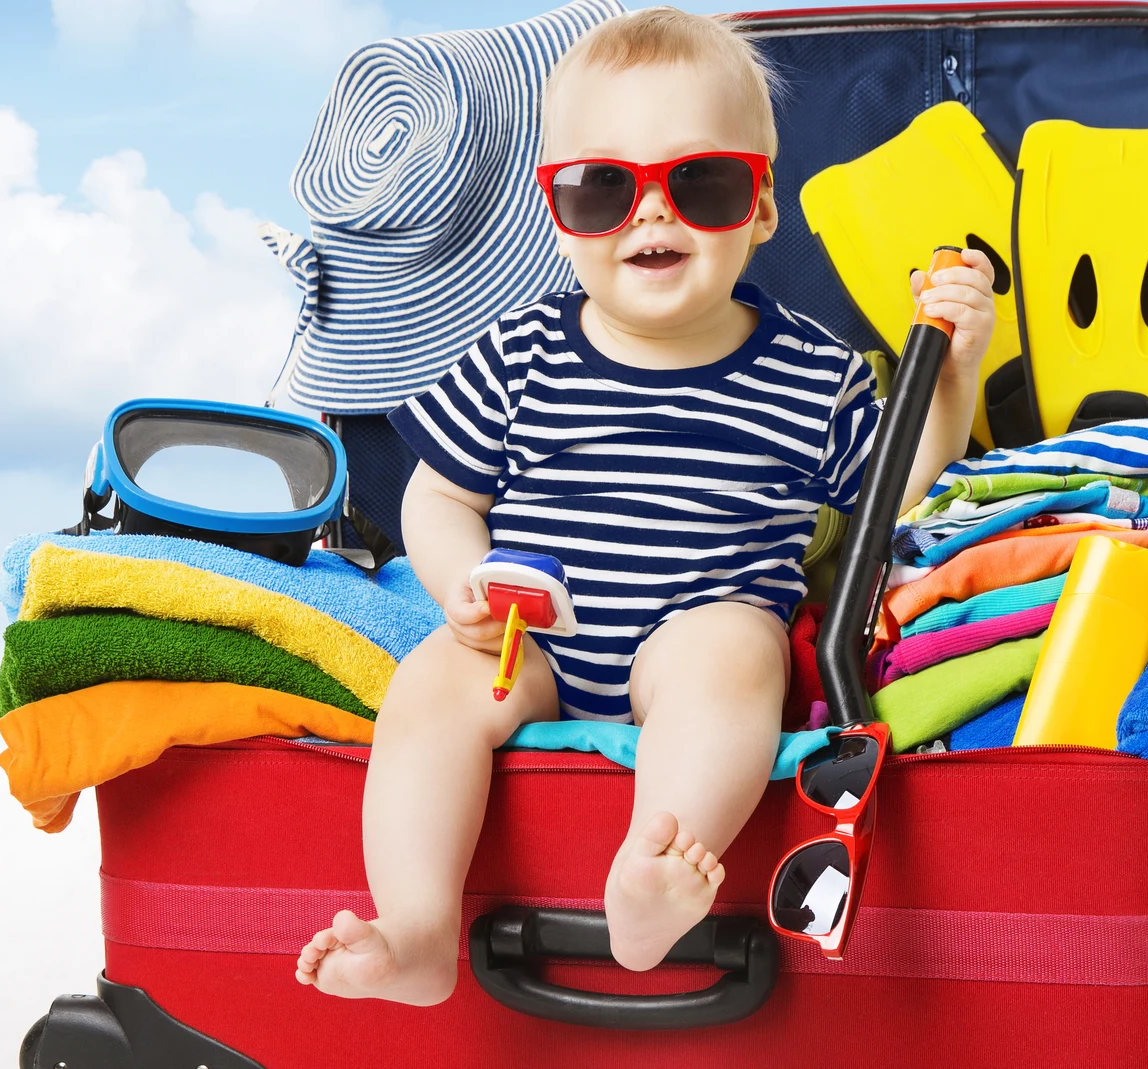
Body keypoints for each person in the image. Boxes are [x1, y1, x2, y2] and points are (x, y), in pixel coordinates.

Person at [296, 5, 995, 1005]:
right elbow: (440, 494)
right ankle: (414, 929)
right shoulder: (519, 351)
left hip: (690, 636)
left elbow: (900, 488)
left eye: (701, 184)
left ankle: (657, 869)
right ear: (556, 214)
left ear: (760, 209)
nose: (650, 215)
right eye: (601, 190)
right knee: (428, 691)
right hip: (527, 642)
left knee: (733, 654)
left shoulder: (808, 372)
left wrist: (953, 373)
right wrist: (463, 586)